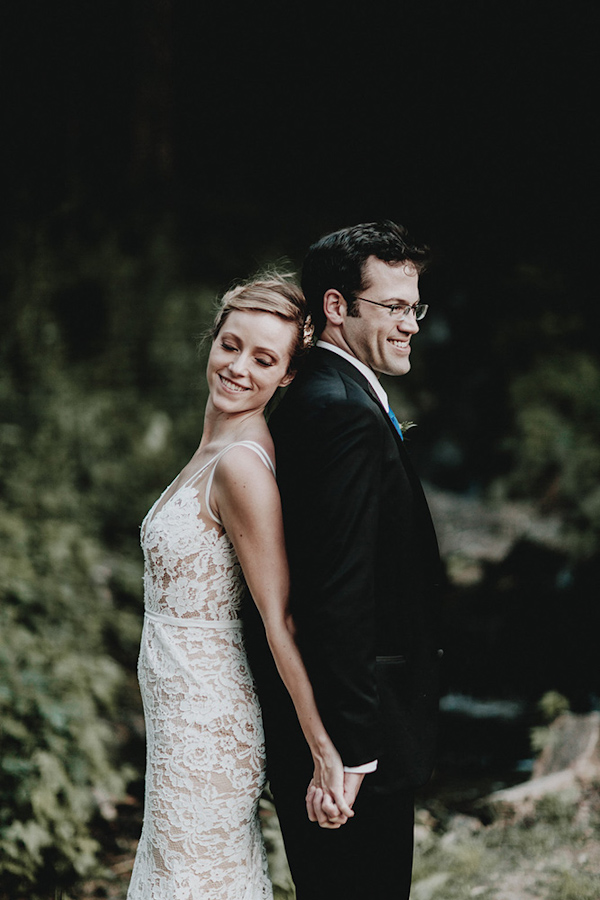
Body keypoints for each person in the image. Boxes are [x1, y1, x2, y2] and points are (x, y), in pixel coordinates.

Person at [127, 273, 353, 900]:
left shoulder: (240, 467)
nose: (237, 368)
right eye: (230, 345)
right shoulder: (215, 446)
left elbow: (279, 619)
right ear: (214, 340)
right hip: (177, 720)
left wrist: (322, 747)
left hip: (208, 726)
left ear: (285, 376)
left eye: (264, 359)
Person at [243, 221, 444, 899]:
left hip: (343, 732)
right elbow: (338, 595)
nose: (411, 323)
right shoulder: (342, 414)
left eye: (414, 306)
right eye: (393, 307)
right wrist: (351, 753)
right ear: (337, 306)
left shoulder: (324, 396)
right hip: (355, 741)